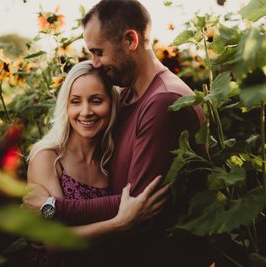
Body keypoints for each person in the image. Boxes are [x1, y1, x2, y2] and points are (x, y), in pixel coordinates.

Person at [24, 0, 209, 266]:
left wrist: (51, 207)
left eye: (99, 52)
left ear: (130, 40)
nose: (95, 64)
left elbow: (137, 204)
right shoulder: (128, 98)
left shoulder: (162, 101)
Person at [26, 60, 169, 267]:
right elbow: (53, 241)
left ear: (111, 103)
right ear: (65, 106)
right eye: (75, 101)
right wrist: (119, 224)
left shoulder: (110, 158)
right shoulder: (48, 157)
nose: (85, 111)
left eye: (96, 100)